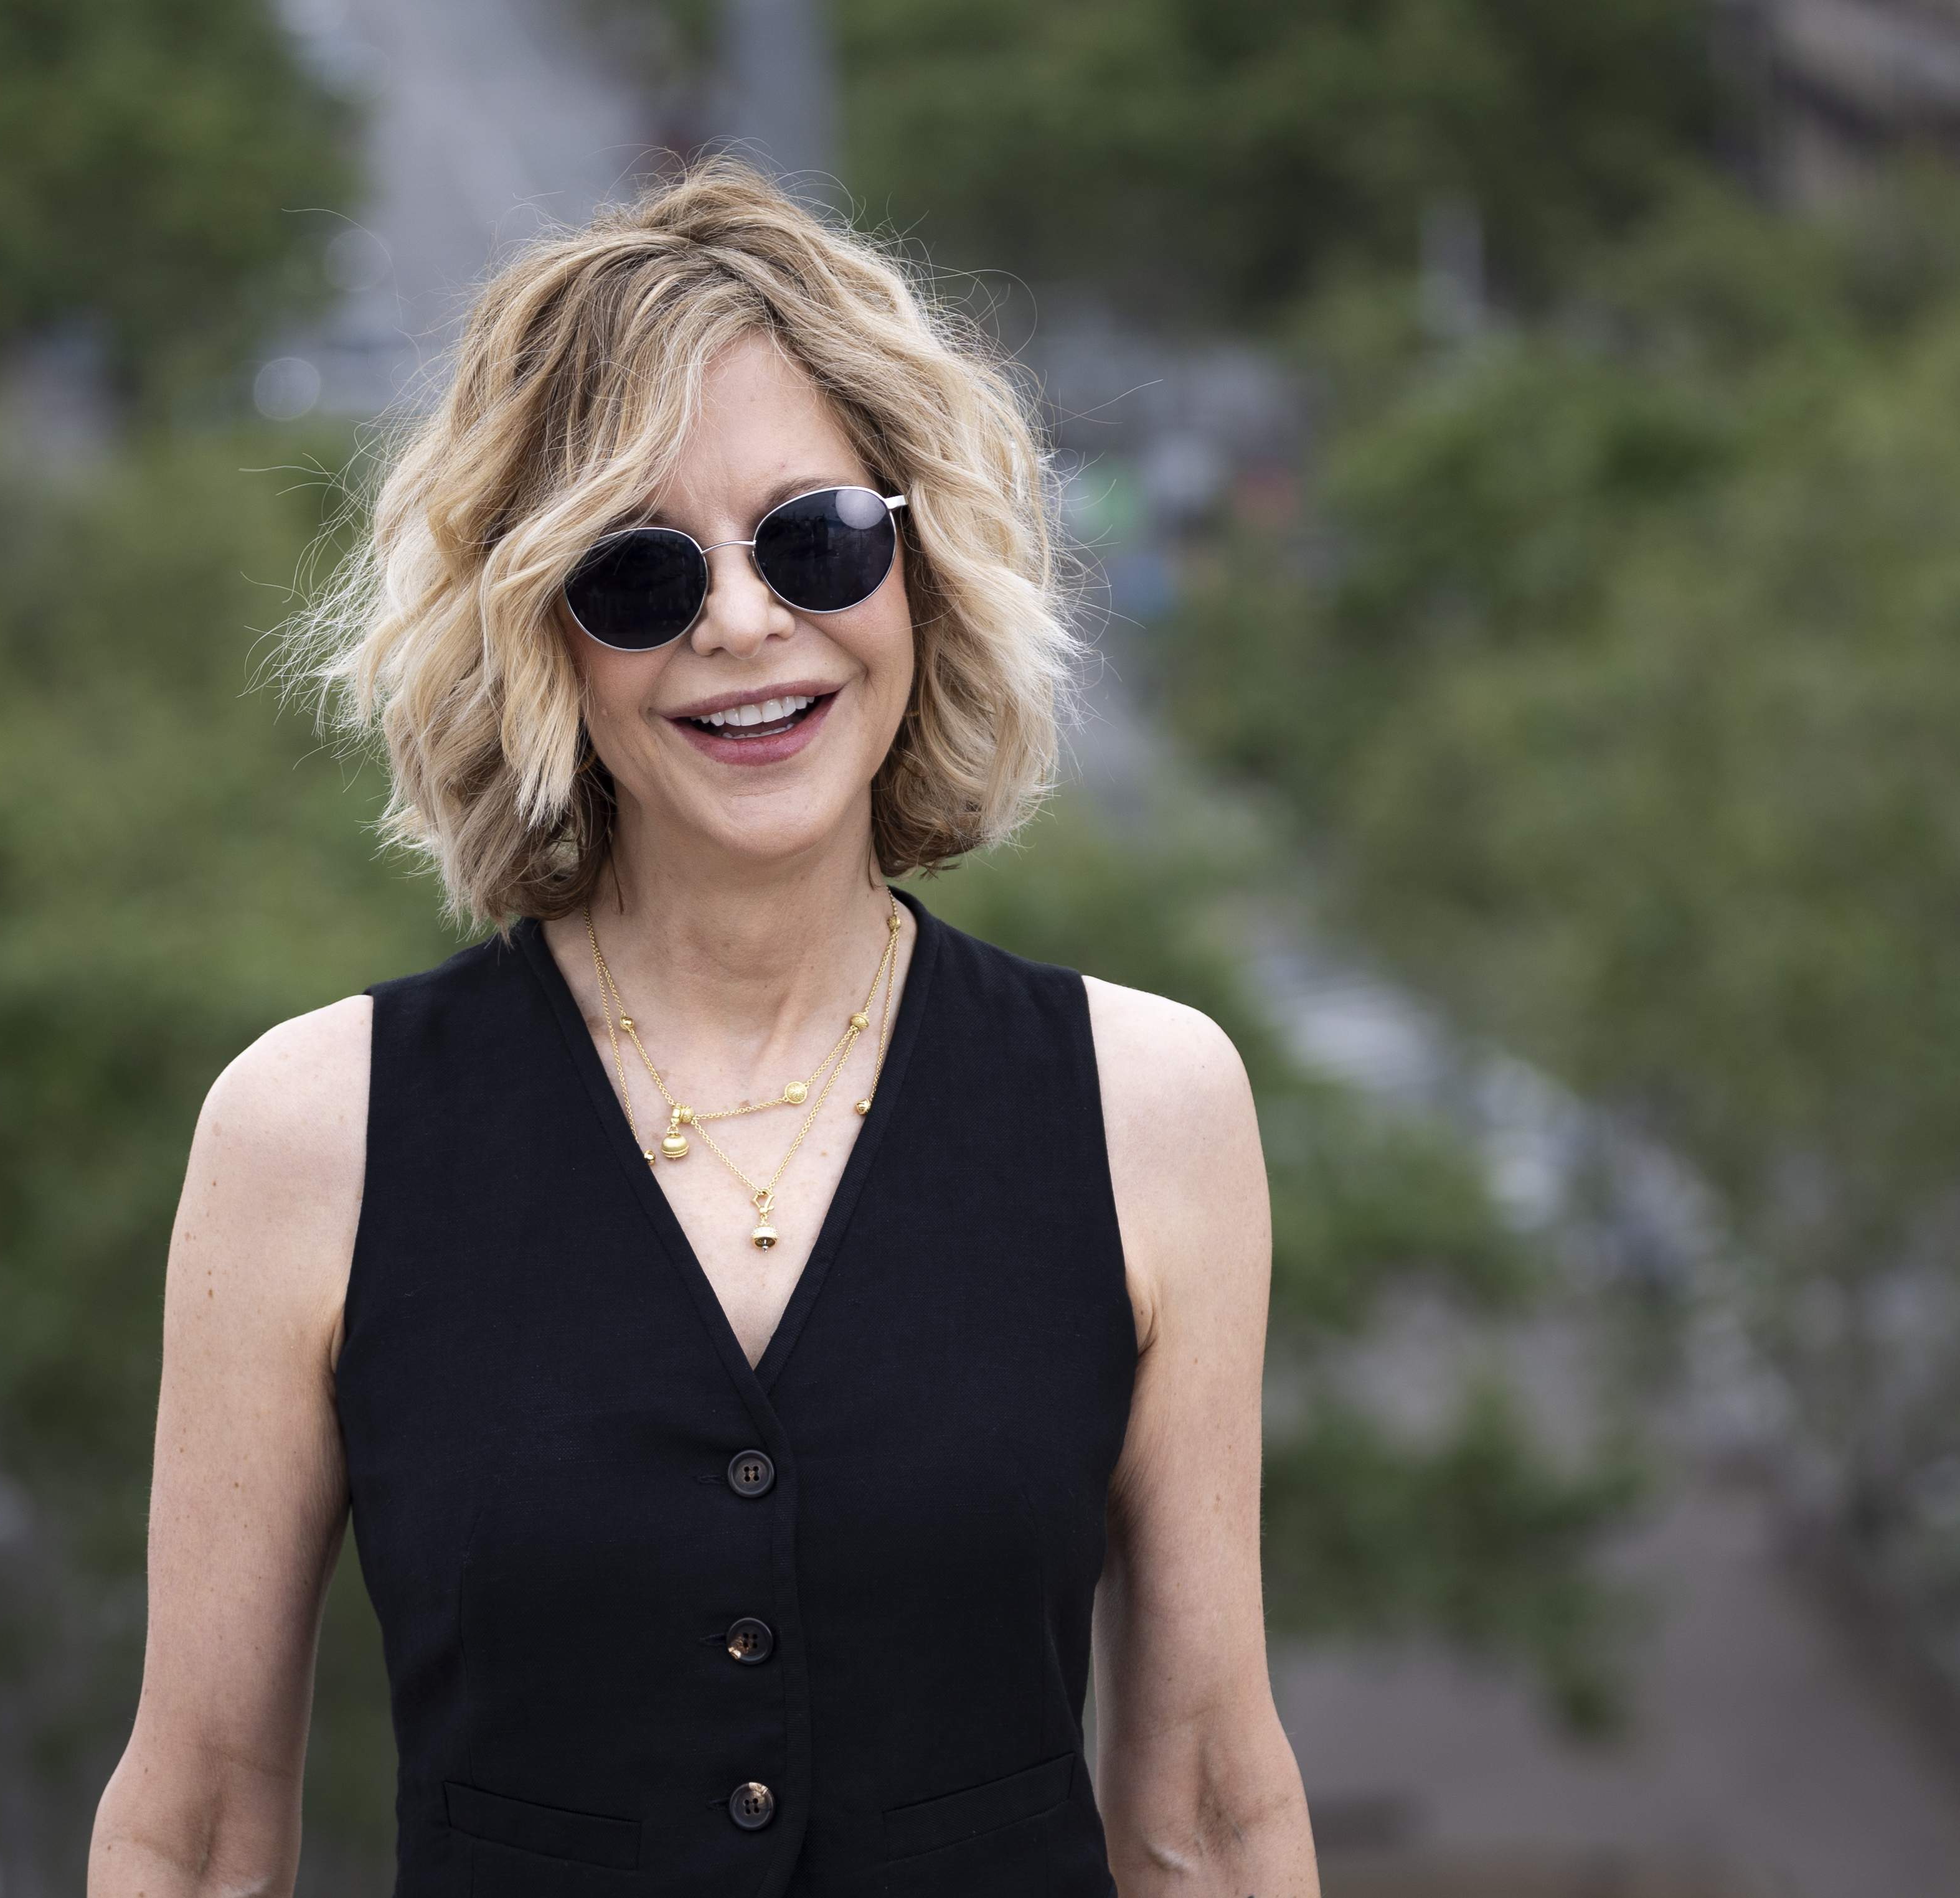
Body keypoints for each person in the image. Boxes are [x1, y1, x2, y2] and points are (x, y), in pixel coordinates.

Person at [85, 160, 1317, 1897]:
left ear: (919, 566)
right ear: (541, 634)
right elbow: (198, 1830)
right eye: (640, 573)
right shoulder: (306, 1138)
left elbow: (1205, 1810)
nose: (744, 619)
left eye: (817, 538)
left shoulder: (1153, 1107)